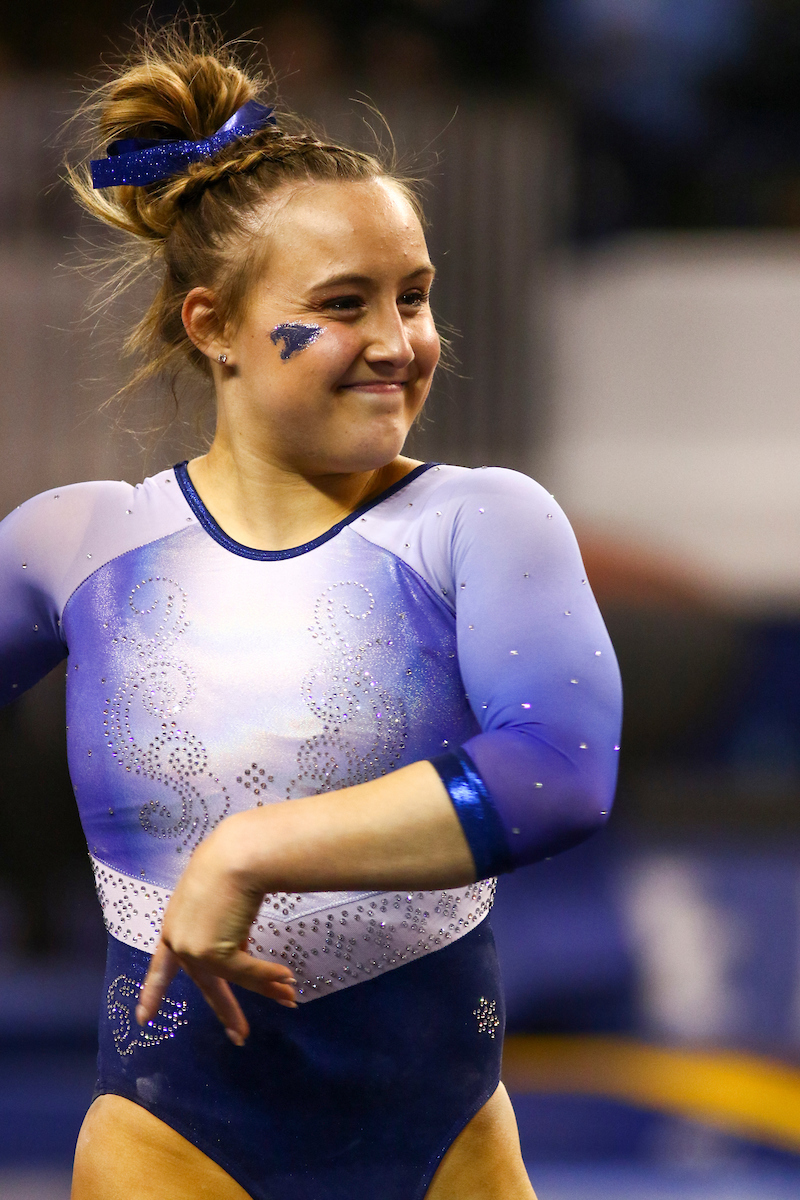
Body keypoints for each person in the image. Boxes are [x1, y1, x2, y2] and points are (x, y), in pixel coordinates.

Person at [0, 25, 622, 1200]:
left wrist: (251, 849)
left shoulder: (476, 523)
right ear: (212, 325)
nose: (397, 343)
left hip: (440, 1150)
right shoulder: (76, 546)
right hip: (171, 1149)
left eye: (415, 297)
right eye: (343, 305)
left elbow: (558, 771)